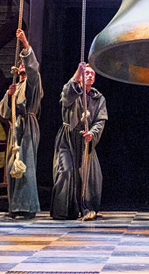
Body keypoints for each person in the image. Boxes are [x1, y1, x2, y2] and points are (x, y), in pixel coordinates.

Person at [51, 62, 107, 221]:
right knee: (66, 171)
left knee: (92, 175)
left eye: (92, 74)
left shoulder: (98, 98)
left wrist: (92, 134)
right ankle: (63, 210)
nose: (90, 75)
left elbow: (100, 121)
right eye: (86, 73)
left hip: (86, 140)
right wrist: (77, 73)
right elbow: (67, 96)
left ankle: (88, 207)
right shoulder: (73, 90)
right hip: (68, 138)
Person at [0, 29, 42, 219]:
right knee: (12, 165)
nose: (23, 65)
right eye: (20, 63)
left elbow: (33, 69)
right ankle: (14, 206)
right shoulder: (16, 87)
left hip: (28, 126)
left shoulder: (33, 83)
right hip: (15, 128)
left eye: (24, 63)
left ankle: (28, 207)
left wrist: (24, 43)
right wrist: (9, 95)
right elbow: (3, 111)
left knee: (26, 165)